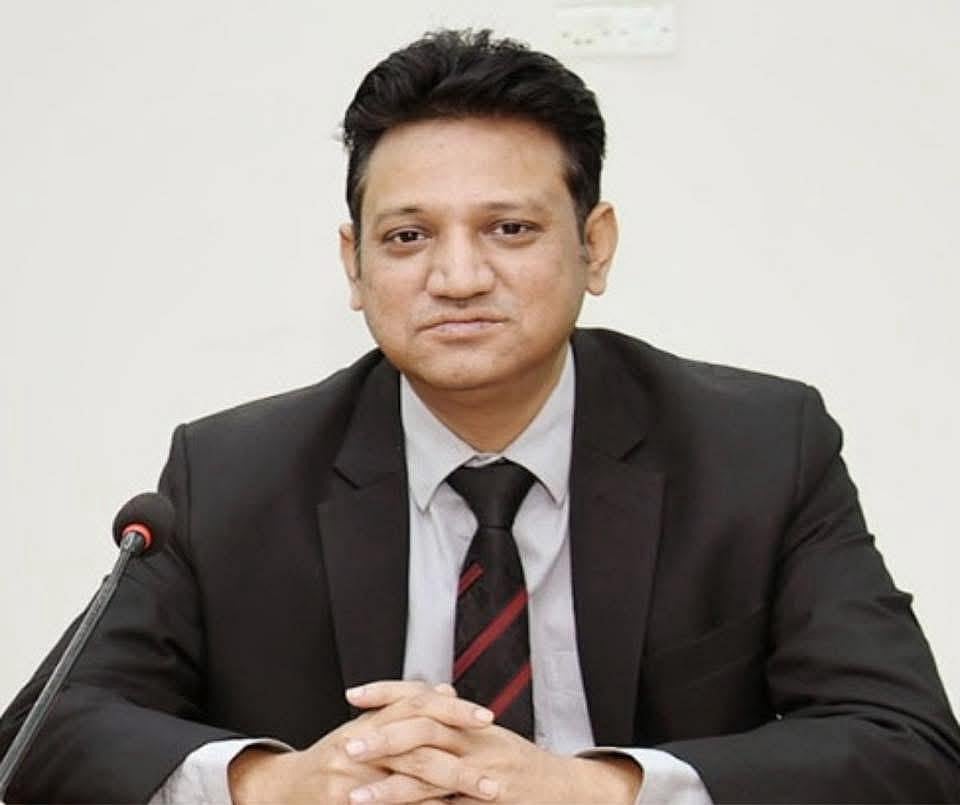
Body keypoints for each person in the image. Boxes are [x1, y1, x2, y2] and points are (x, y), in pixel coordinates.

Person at [2, 28, 959, 804]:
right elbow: (44, 735)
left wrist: (604, 790)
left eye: (510, 228)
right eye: (408, 236)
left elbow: (908, 745)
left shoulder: (756, 449)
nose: (457, 277)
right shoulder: (232, 473)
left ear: (595, 246)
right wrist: (273, 783)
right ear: (353, 264)